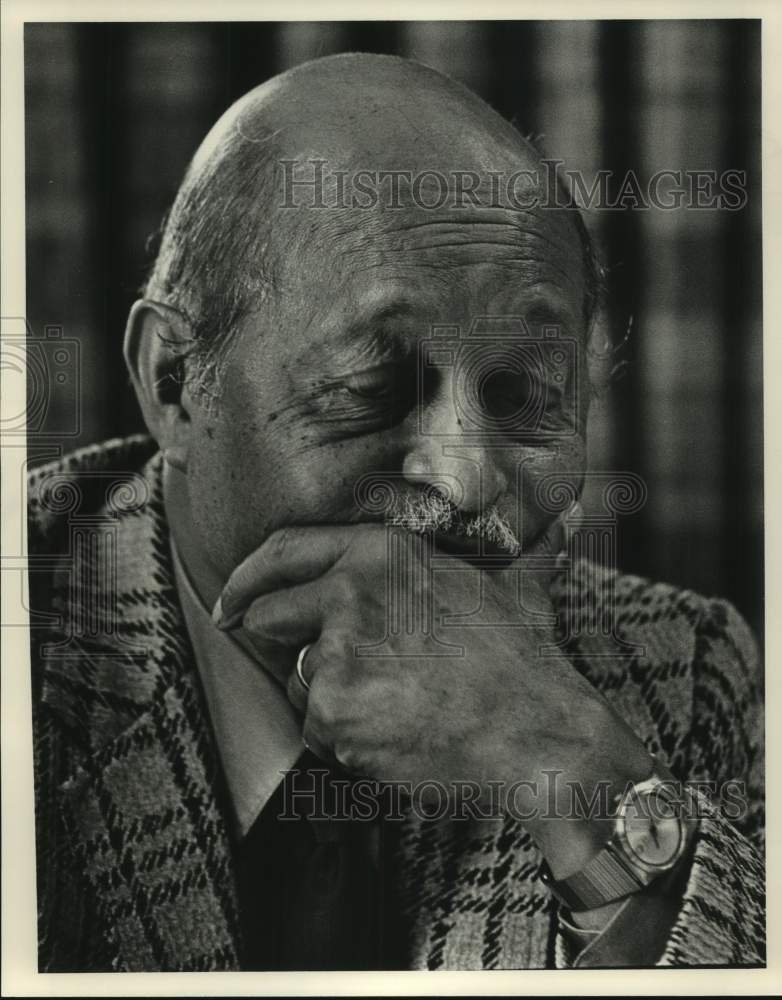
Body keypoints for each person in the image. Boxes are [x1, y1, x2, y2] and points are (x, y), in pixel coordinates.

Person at [28, 52, 764, 972]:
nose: (465, 483)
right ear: (174, 386)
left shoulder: (683, 668)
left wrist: (565, 759)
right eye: (375, 388)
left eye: (524, 392)